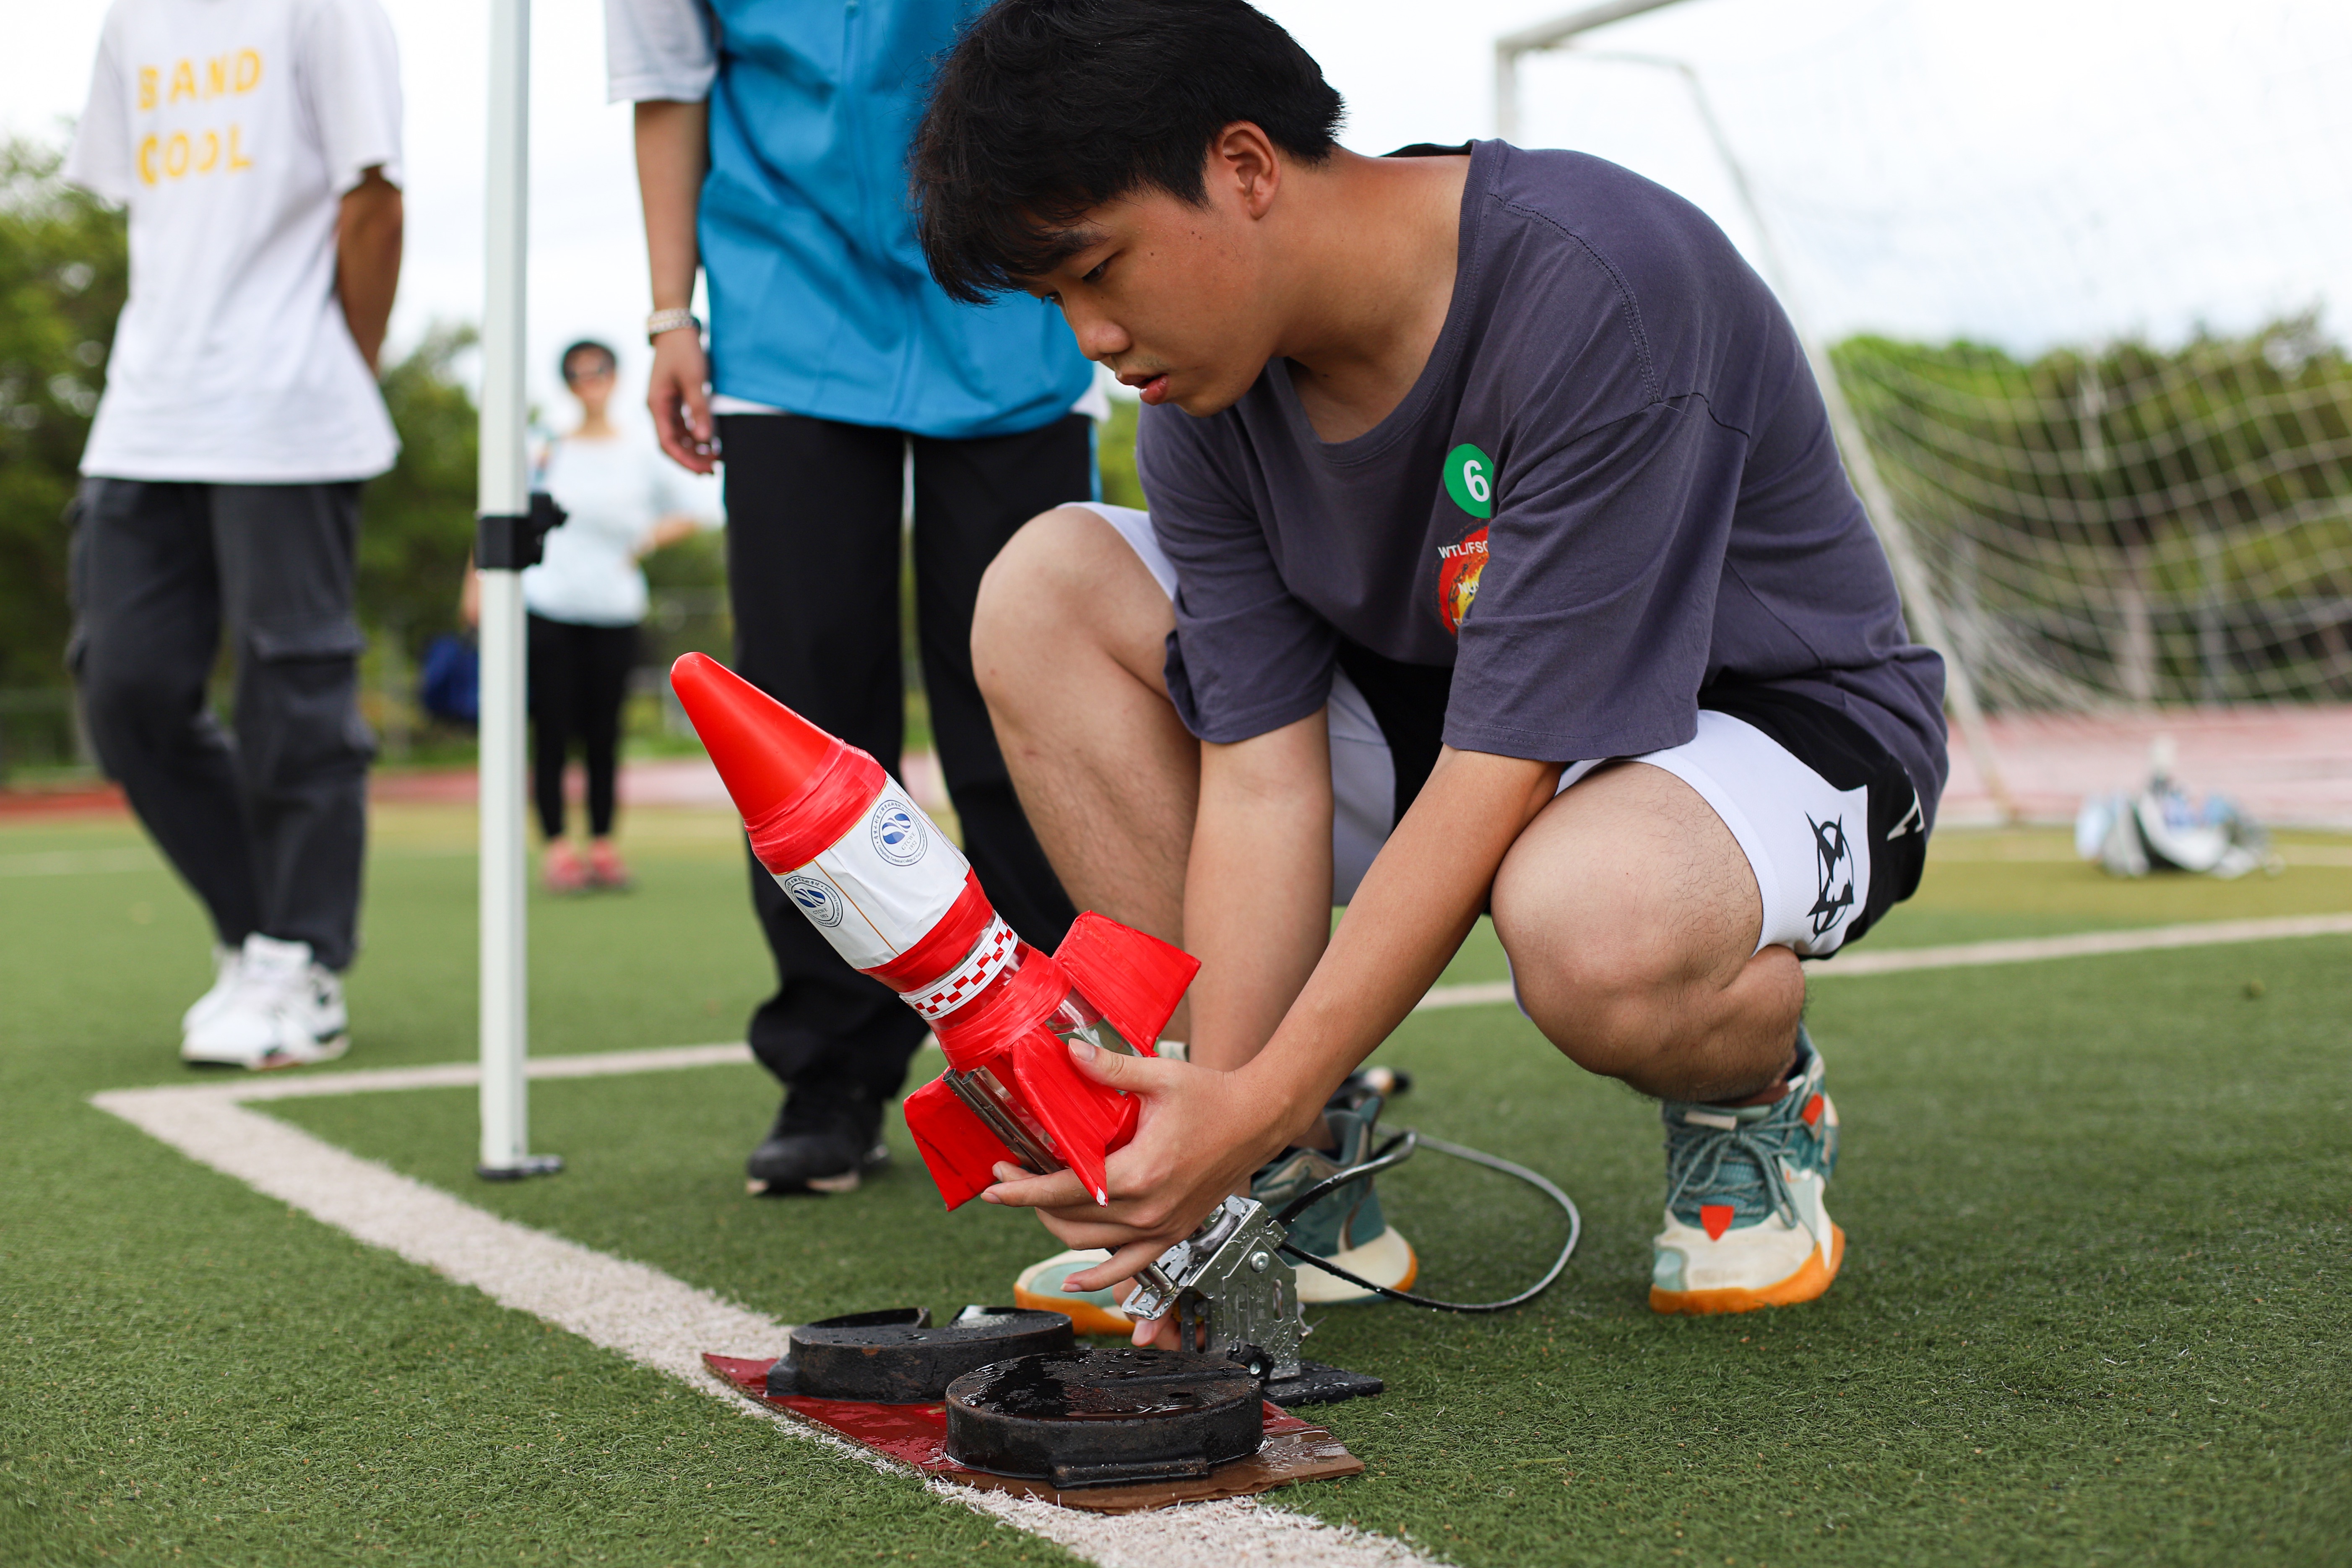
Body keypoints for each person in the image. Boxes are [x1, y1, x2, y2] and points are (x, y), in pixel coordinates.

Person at [908, 0, 1948, 1325]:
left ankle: (1754, 1098)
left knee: (1594, 921)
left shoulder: (1602, 280)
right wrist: (1233, 1114)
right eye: (1057, 301)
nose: (1093, 341)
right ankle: (1292, 1176)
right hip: (1456, 705)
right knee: (1045, 588)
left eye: (1098, 270)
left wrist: (1255, 1096)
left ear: (1245, 165)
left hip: (1767, 721)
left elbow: (1502, 770)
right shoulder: (1201, 393)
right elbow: (1263, 778)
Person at [607, 0, 1105, 1195]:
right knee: (804, 709)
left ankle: (1056, 1044)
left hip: (1013, 263)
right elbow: (669, 81)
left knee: (1027, 693)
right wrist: (671, 313)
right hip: (788, 280)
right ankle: (831, 1063)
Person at [63, 0, 404, 1069]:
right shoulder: (132, 21)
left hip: (288, 404)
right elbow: (159, 214)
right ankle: (257, 928)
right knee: (123, 686)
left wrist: (341, 369)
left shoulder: (326, 11)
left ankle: (303, 960)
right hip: (147, 411)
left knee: (293, 693)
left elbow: (375, 204)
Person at [464, 339, 720, 893]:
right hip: (549, 605)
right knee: (552, 732)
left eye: (599, 370)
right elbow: (497, 513)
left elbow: (699, 506)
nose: (591, 381)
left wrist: (646, 539)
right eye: (579, 373)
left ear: (615, 376)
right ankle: (558, 849)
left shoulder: (638, 449)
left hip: (614, 610)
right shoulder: (544, 446)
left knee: (605, 734)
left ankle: (603, 845)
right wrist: (475, 585)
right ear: (569, 384)